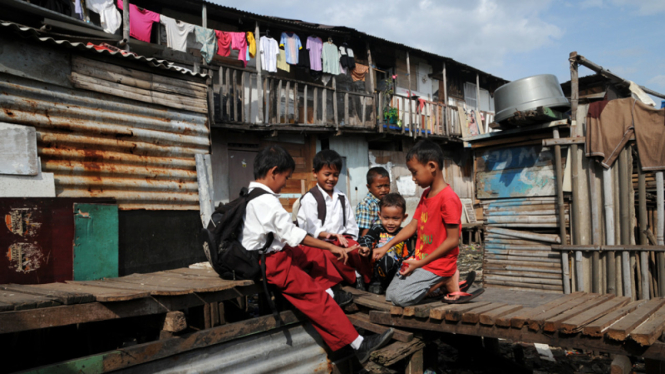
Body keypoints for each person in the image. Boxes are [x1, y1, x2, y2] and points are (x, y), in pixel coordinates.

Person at [239, 145, 393, 362]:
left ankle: (332, 289)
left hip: (277, 252)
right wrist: (330, 245)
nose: (285, 182)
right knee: (317, 299)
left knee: (313, 254)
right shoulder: (267, 201)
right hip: (272, 262)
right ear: (274, 172)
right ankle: (358, 344)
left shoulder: (252, 193)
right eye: (285, 177)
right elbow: (294, 233)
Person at [373, 140, 474, 306]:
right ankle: (441, 286)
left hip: (438, 265)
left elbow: (453, 240)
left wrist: (420, 263)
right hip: (421, 260)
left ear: (432, 166)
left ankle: (446, 280)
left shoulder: (448, 198)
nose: (413, 178)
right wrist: (386, 246)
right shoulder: (426, 194)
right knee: (390, 295)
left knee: (401, 299)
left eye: (415, 172)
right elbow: (412, 226)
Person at [297, 149, 373, 286]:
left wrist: (349, 241)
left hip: (342, 240)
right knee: (329, 255)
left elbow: (351, 226)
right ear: (315, 173)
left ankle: (369, 280)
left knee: (358, 250)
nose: (331, 179)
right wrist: (333, 236)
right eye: (327, 174)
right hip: (319, 243)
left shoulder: (342, 197)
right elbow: (312, 230)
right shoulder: (310, 199)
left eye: (335, 175)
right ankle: (354, 279)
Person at [358, 193, 414, 294]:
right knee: (384, 259)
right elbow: (367, 238)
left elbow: (407, 253)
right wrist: (366, 247)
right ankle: (376, 283)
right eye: (386, 218)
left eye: (395, 218)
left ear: (404, 217)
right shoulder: (377, 229)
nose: (390, 222)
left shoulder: (404, 233)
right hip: (377, 270)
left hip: (396, 271)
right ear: (379, 215)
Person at [356, 167, 391, 237]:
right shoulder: (366, 204)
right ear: (369, 187)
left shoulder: (388, 201)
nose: (384, 189)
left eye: (386, 185)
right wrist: (364, 245)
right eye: (379, 186)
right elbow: (365, 230)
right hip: (371, 240)